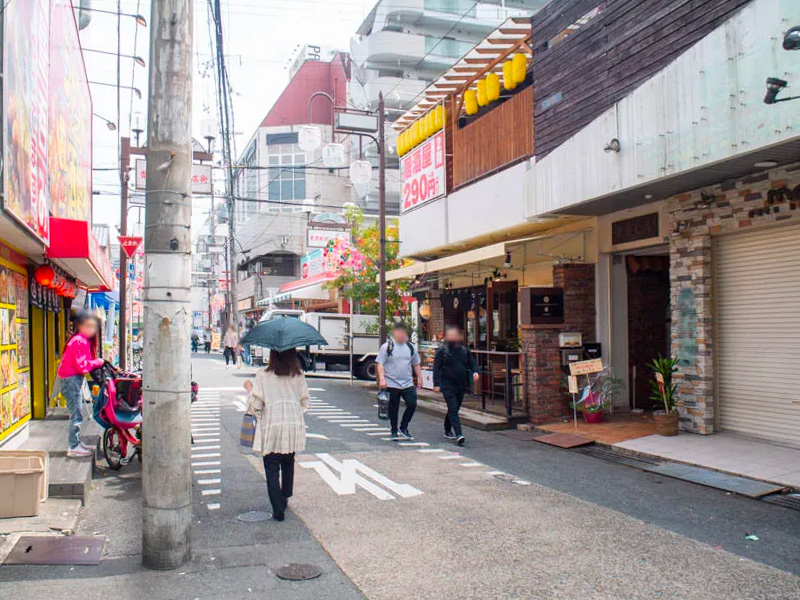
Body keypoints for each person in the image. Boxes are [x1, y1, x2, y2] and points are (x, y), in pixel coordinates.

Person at [243, 348, 308, 521]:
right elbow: (304, 402)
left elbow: (256, 405)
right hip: (292, 424)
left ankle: (278, 509)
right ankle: (285, 496)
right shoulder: (298, 375)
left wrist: (249, 389)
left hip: (272, 424)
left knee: (271, 466)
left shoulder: (263, 375)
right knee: (288, 460)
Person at [58, 311, 105, 458]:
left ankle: (77, 443)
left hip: (71, 379)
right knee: (76, 414)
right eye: (89, 326)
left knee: (77, 413)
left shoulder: (79, 340)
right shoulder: (79, 341)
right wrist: (97, 362)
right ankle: (74, 446)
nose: (92, 329)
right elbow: (81, 366)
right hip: (71, 379)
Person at [433, 325, 479, 446]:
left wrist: (475, 371)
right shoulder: (442, 351)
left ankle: (447, 427)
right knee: (453, 407)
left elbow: (472, 362)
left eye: (455, 335)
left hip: (461, 384)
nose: (453, 337)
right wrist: (436, 384)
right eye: (450, 335)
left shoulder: (464, 350)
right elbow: (436, 368)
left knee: (455, 407)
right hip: (447, 384)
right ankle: (459, 434)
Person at [376, 322, 421, 440]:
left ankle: (404, 426)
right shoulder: (387, 347)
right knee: (393, 408)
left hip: (408, 383)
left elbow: (416, 363)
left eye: (403, 332)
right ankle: (394, 430)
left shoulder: (410, 347)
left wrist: (420, 377)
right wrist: (382, 379)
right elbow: (380, 363)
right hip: (391, 382)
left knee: (412, 403)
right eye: (399, 332)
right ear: (394, 333)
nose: (401, 335)